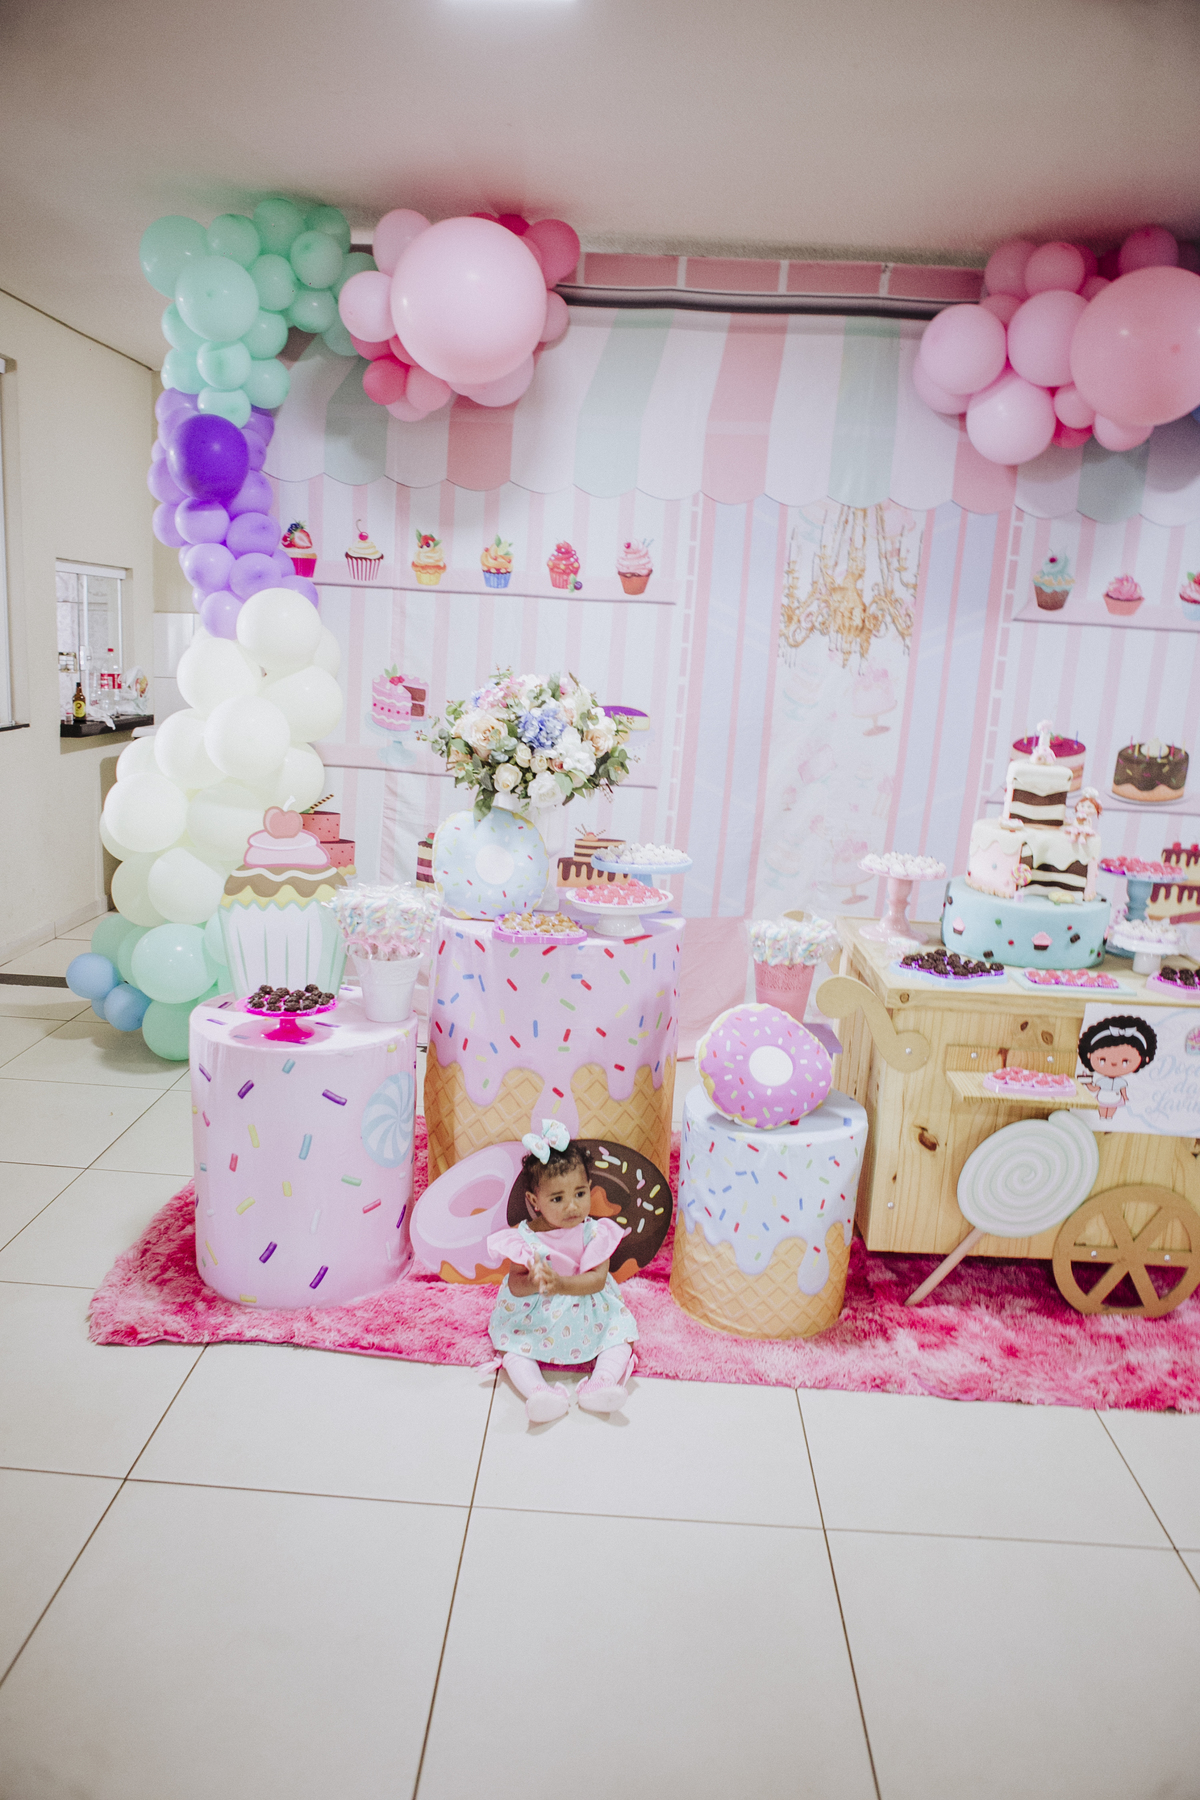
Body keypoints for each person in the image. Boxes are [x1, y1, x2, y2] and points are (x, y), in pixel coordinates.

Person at [486, 1121, 638, 1424]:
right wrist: (535, 1282)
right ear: (534, 1201)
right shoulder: (525, 1237)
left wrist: (561, 1284)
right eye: (557, 1199)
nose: (572, 1207)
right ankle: (538, 1392)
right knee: (510, 1345)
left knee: (621, 1334)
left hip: (587, 1304)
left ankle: (602, 1382)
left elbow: (597, 1280)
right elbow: (515, 1285)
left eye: (580, 1194)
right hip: (538, 1312)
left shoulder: (595, 1232)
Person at [1077, 1015, 1157, 1121]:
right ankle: (1102, 1117)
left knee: (1112, 1108)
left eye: (1125, 1062)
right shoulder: (1101, 1081)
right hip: (1102, 1097)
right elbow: (1094, 1089)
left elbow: (1123, 1090)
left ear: (1144, 1059)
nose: (1113, 1064)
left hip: (1115, 1097)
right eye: (1102, 1060)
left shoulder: (1121, 1082)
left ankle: (1109, 1117)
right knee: (1101, 1107)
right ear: (1088, 1055)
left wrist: (1126, 1097)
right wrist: (1087, 1083)